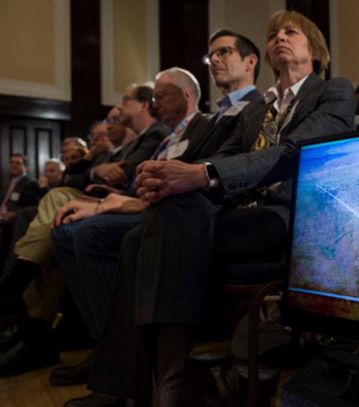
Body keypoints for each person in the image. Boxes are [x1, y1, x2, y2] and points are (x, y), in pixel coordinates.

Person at [66, 11, 354, 406]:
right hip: (240, 212)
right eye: (273, 34)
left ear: (315, 48)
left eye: (291, 32)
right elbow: (223, 159)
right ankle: (138, 384)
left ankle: (168, 384)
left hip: (293, 216)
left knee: (168, 216)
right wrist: (165, 179)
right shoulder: (257, 110)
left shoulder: (333, 91)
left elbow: (293, 153)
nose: (280, 38)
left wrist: (198, 175)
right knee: (138, 236)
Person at [50, 30, 262, 396]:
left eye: (224, 52)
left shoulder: (258, 108)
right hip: (179, 201)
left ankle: (158, 375)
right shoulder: (212, 118)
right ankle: (132, 372)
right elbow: (182, 167)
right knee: (117, 236)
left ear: (250, 61)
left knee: (107, 233)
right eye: (211, 54)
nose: (214, 60)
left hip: (211, 205)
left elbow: (230, 166)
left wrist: (141, 195)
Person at [0, 86, 167, 377]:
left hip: (128, 205)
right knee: (55, 223)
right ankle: (31, 327)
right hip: (106, 198)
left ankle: (15, 293)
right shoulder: (130, 143)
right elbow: (82, 177)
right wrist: (95, 169)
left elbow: (125, 175)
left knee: (58, 208)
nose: (116, 113)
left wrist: (97, 173)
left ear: (142, 105)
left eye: (125, 102)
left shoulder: (154, 135)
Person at [0, 154, 40, 278]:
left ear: (25, 167)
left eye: (18, 163)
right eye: (12, 162)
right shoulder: (7, 182)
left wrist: (13, 214)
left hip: (13, 219)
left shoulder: (30, 183)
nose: (13, 165)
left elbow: (30, 207)